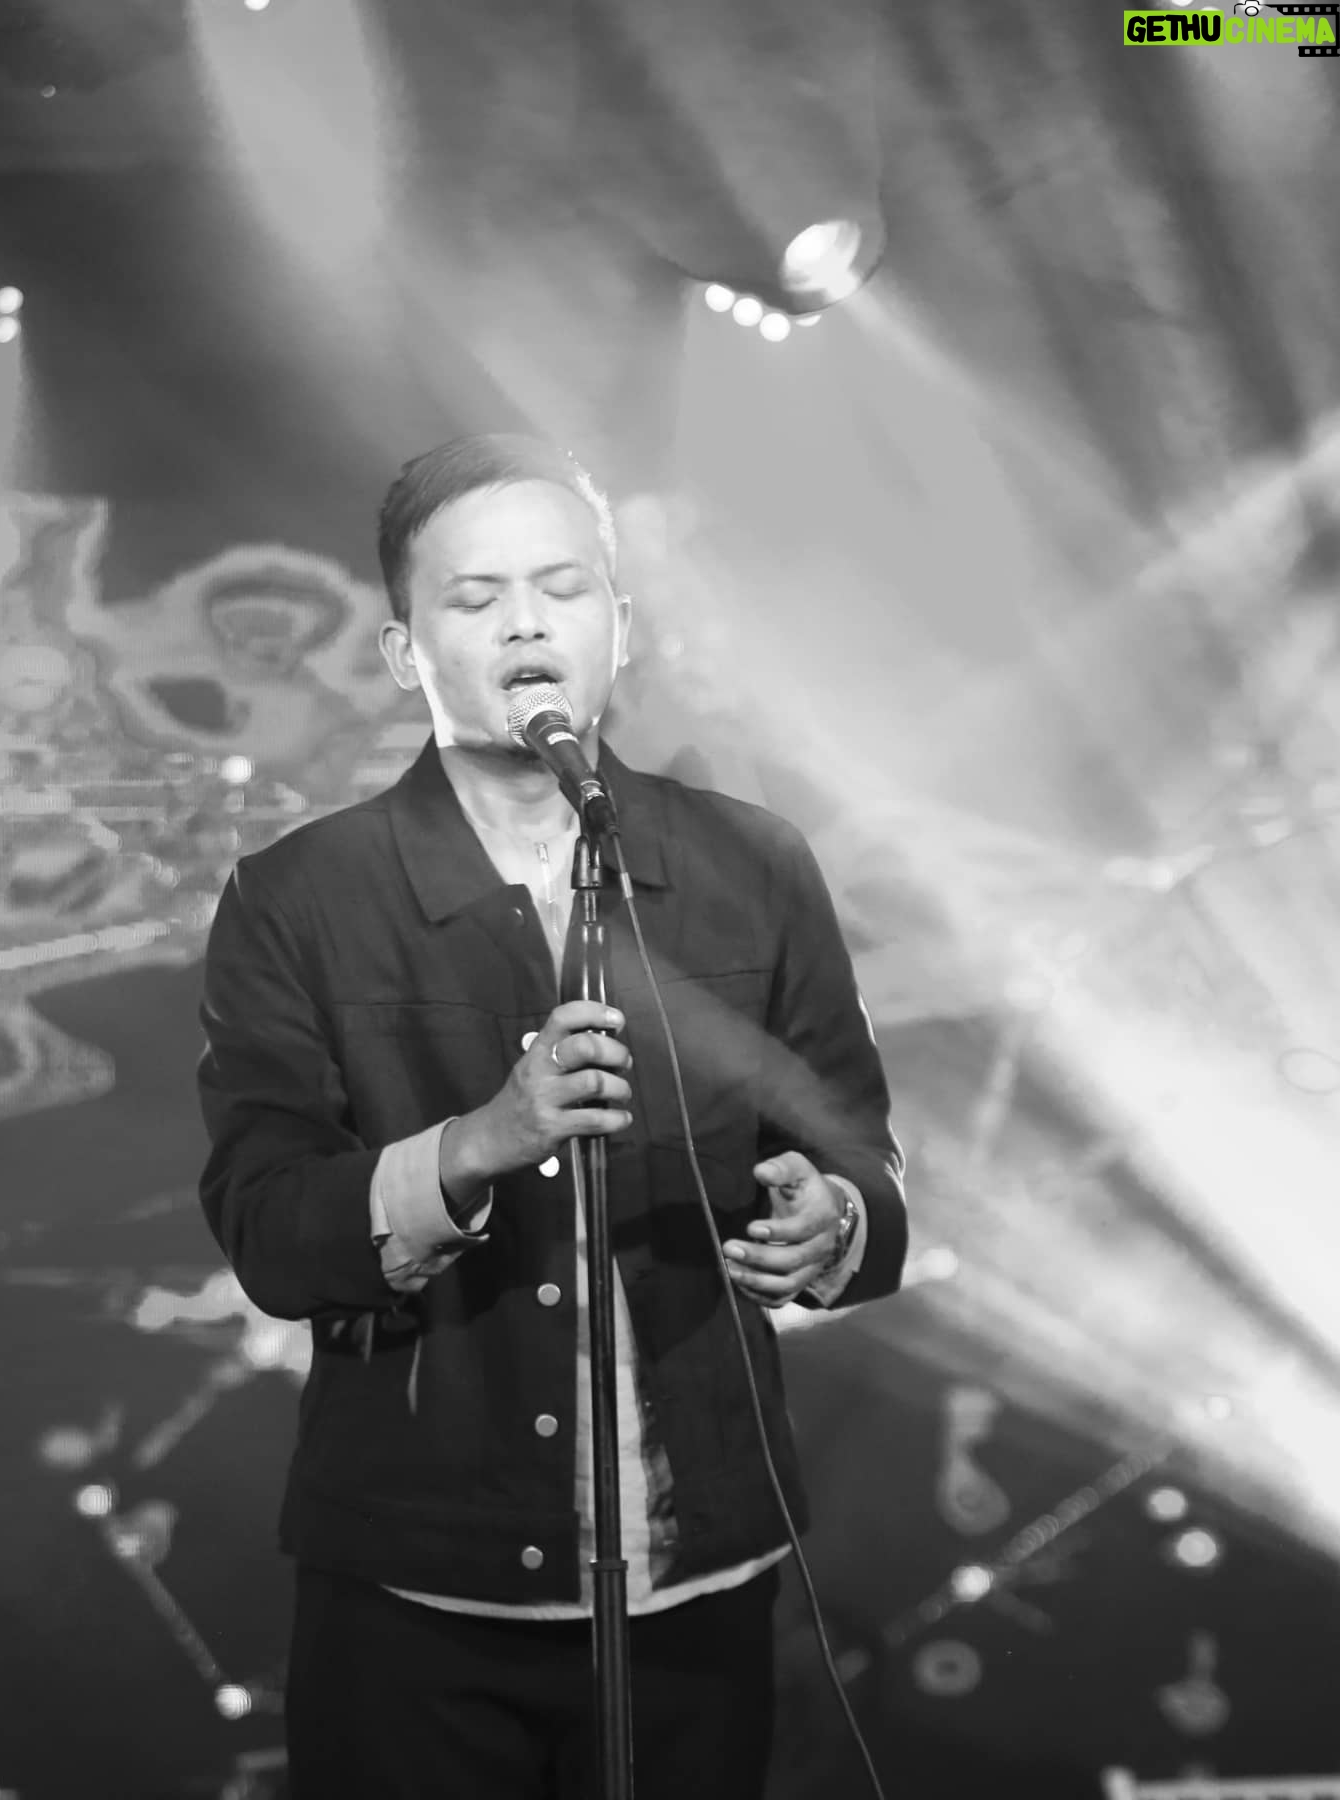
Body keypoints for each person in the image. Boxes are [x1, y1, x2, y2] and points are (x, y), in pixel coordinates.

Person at [196, 433, 907, 1799]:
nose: (527, 624)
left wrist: (834, 1217)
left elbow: (862, 1156)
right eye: (475, 599)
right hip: (417, 1596)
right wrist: (478, 1143)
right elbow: (268, 1229)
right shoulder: (299, 898)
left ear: (618, 626)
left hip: (700, 1580)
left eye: (562, 588)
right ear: (404, 652)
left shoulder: (755, 863)